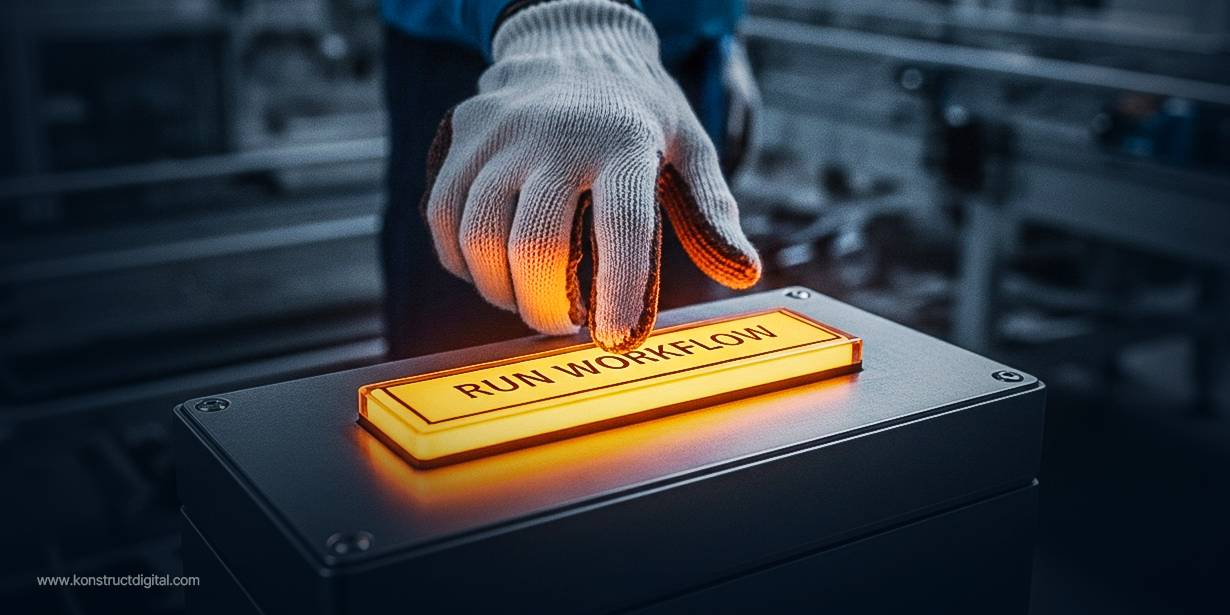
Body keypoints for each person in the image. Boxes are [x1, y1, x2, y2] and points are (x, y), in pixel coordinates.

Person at [381, 0, 761, 358]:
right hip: (494, 49)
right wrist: (559, 14)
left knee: (674, 372)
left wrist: (726, 29)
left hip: (676, 60)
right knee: (464, 371)